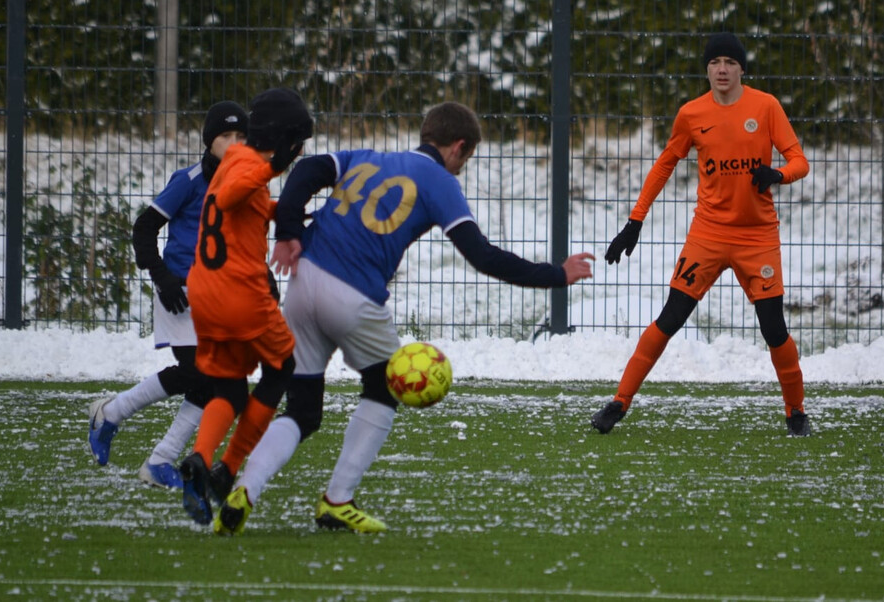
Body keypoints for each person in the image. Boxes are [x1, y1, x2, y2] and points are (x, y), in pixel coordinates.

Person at [211, 101, 595, 535]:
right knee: (385, 386)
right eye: (465, 159)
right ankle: (337, 500)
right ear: (458, 146)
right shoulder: (439, 180)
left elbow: (308, 169)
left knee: (303, 410)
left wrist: (288, 233)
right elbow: (483, 256)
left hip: (303, 282)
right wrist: (555, 275)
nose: (461, 168)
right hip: (352, 295)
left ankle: (245, 489)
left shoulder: (371, 157)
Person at [592, 32, 812, 437]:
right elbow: (664, 165)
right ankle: (618, 402)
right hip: (707, 236)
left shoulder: (765, 107)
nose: (722, 69)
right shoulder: (692, 114)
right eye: (715, 63)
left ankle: (796, 411)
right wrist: (634, 221)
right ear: (706, 69)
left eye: (730, 62)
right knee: (670, 317)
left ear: (742, 68)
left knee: (774, 328)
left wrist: (777, 174)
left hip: (757, 237)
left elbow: (800, 161)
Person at [87, 101, 248, 489]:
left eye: (241, 137)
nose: (233, 143)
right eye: (225, 136)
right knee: (198, 372)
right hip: (181, 293)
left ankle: (159, 462)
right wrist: (163, 277)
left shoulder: (244, 185)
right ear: (210, 141)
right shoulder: (189, 181)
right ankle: (112, 412)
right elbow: (144, 228)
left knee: (212, 384)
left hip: (219, 298)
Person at [176, 86, 313, 526]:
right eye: (299, 145)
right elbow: (235, 194)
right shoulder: (253, 165)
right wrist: (274, 166)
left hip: (205, 291)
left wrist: (286, 213)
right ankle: (228, 469)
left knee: (230, 389)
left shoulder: (234, 157)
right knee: (282, 368)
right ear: (285, 140)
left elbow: (240, 204)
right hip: (240, 293)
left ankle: (199, 459)